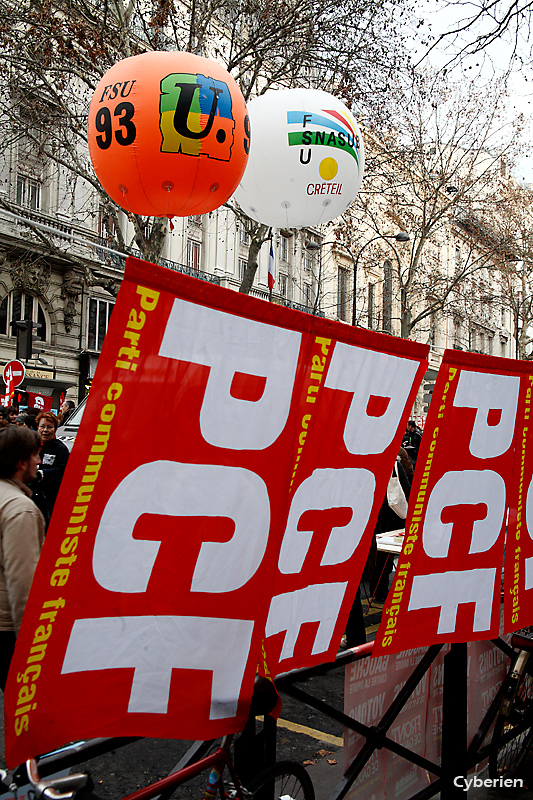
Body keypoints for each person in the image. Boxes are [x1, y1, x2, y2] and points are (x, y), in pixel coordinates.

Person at [0, 426, 45, 690]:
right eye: (35, 455)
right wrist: (30, 642)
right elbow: (22, 583)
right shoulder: (20, 510)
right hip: (7, 628)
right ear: (21, 462)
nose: (38, 461)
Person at [33, 411, 70, 525]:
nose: (45, 430)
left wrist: (42, 473)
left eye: (49, 427)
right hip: (33, 493)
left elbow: (62, 469)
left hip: (52, 495)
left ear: (55, 429)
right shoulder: (31, 444)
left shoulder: (60, 448)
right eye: (42, 426)